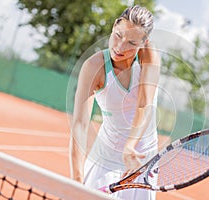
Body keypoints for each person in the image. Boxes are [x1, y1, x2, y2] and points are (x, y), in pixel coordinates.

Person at [69, 5, 160, 200]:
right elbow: (80, 124)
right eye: (118, 36)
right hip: (106, 156)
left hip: (143, 158)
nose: (120, 47)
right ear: (114, 26)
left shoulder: (149, 55)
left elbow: (144, 104)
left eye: (131, 43)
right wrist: (76, 180)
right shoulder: (94, 66)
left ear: (144, 43)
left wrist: (131, 146)